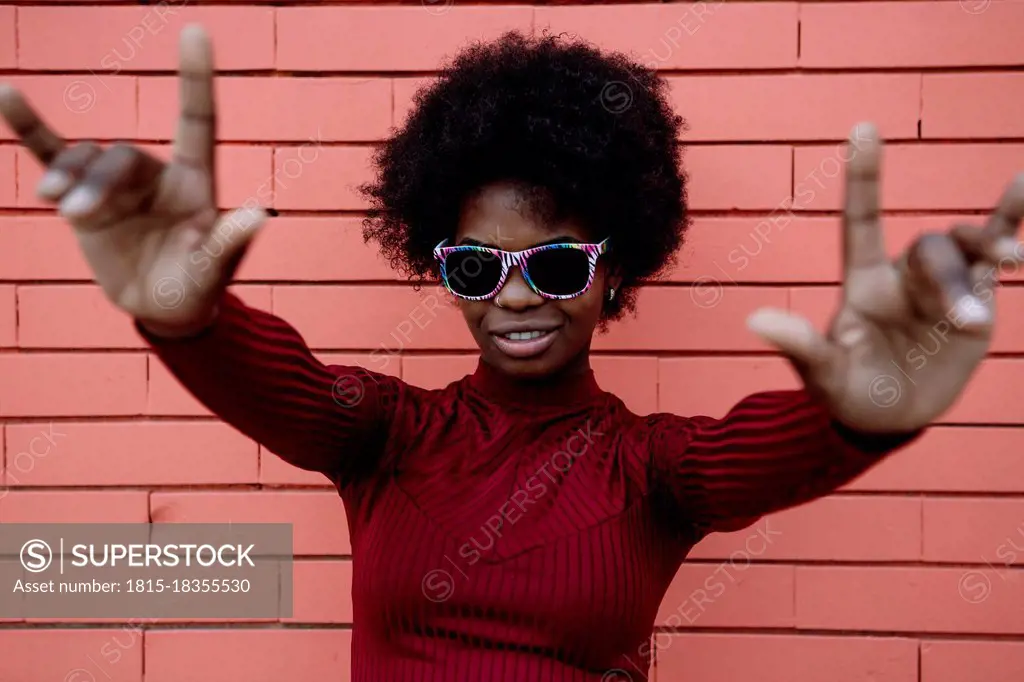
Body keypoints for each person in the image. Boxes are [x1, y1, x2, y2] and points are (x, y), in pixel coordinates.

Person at [1, 23, 1021, 682]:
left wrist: (863, 409)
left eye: (559, 263)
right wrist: (187, 319)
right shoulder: (388, 434)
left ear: (615, 270)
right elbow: (284, 385)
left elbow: (769, 448)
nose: (519, 292)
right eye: (478, 267)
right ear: (439, 270)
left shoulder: (656, 468)